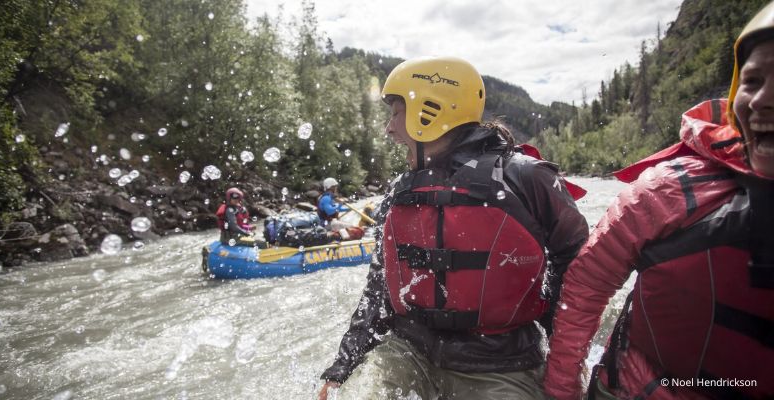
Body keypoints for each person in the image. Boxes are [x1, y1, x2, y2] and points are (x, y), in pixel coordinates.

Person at [317, 56, 588, 400]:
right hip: (408, 354)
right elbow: (378, 291)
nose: (389, 128)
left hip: (501, 362)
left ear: (429, 112)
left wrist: (565, 363)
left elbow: (580, 269)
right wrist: (342, 367)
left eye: (396, 112)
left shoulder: (527, 177)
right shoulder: (399, 193)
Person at [544, 3, 774, 399]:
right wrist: (561, 390)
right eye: (752, 81)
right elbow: (587, 282)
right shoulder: (667, 189)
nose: (760, 101)